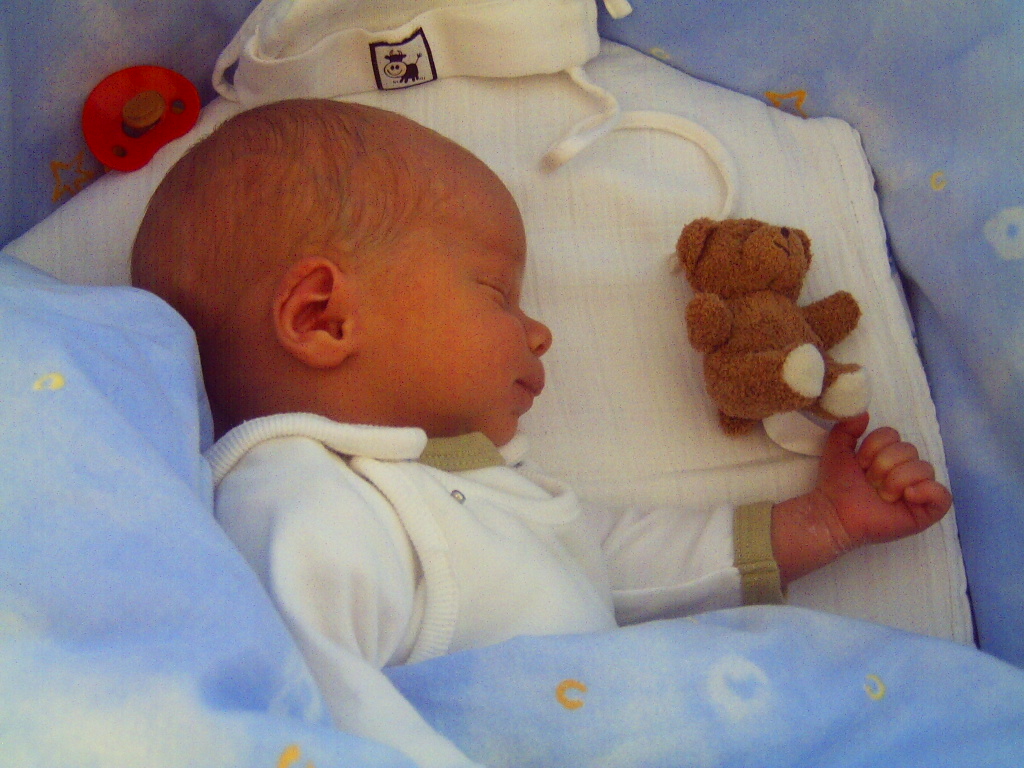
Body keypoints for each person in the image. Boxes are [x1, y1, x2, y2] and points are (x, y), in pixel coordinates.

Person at [131, 98, 952, 767]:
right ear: (324, 317)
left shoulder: (474, 489)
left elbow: (624, 558)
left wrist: (822, 522)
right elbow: (310, 704)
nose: (540, 332)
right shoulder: (297, 496)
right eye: (497, 293)